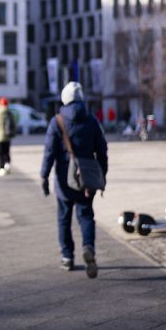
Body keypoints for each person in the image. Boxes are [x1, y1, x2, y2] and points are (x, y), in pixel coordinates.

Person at [40, 82, 108, 278]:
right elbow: (102, 151)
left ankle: (67, 257)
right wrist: (102, 176)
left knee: (63, 218)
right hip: (85, 178)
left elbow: (49, 152)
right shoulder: (92, 121)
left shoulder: (57, 121)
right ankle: (88, 247)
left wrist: (44, 176)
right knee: (86, 215)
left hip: (63, 179)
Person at [0, 97, 18, 177]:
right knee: (7, 152)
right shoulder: (10, 113)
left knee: (0, 153)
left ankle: (1, 168)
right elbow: (14, 125)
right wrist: (13, 133)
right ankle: (7, 164)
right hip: (8, 137)